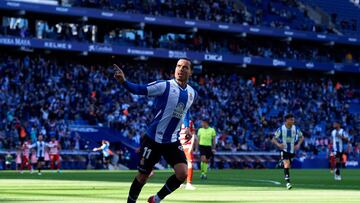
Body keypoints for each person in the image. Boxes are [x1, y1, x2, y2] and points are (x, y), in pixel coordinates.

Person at [113, 58, 197, 203]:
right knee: (143, 176)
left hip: (172, 140)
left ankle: (156, 199)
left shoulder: (192, 93)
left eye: (185, 67)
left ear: (191, 72)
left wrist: (187, 126)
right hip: (153, 139)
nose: (180, 69)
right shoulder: (164, 86)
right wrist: (124, 82)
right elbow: (139, 89)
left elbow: (185, 110)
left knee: (182, 174)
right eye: (178, 66)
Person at [272, 114, 304, 190]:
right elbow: (273, 139)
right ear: (286, 120)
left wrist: (298, 144)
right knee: (287, 164)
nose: (293, 121)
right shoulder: (281, 129)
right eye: (291, 119)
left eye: (293, 119)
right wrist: (279, 144)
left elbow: (302, 137)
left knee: (288, 165)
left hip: (292, 151)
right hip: (285, 150)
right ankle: (288, 183)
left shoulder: (296, 128)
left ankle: (280, 163)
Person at [179, 120, 196, 190]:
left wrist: (191, 145)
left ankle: (189, 183)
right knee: (181, 164)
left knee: (190, 163)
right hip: (180, 145)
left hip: (187, 145)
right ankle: (181, 182)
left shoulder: (190, 122)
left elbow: (193, 134)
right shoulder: (178, 120)